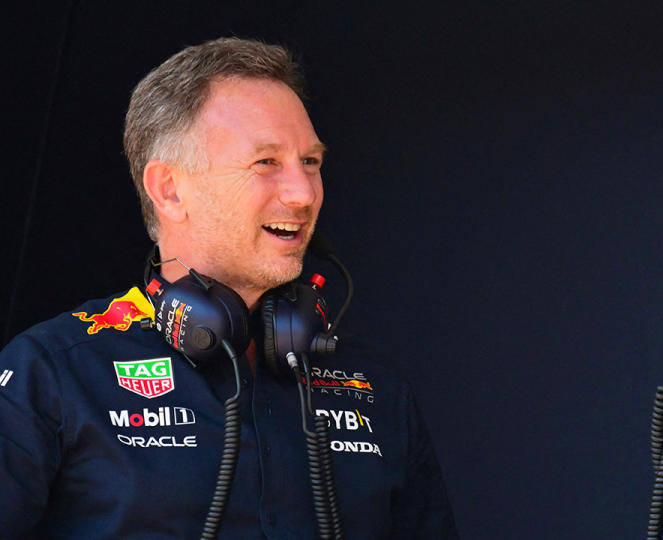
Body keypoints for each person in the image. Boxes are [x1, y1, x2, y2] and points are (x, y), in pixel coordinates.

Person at [0, 38, 458, 538]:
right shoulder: (48, 373)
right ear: (171, 190)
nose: (303, 193)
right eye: (266, 162)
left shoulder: (377, 387)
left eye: (311, 162)